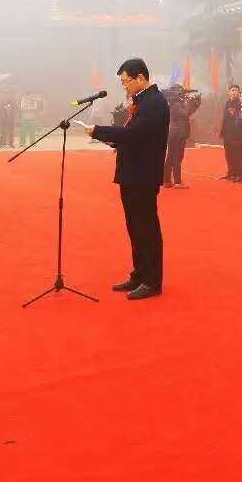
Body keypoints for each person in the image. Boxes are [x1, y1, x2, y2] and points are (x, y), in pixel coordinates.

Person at [80, 58, 170, 301]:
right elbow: (135, 137)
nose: (125, 87)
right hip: (132, 173)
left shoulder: (154, 103)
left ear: (141, 78)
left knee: (146, 227)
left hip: (143, 175)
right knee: (134, 227)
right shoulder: (142, 101)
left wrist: (98, 131)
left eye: (126, 82)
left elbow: (136, 133)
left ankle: (152, 281)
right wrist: (113, 140)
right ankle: (140, 274)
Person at [163, 84, 202, 189]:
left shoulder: (174, 103)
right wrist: (194, 104)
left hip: (175, 133)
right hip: (178, 134)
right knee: (177, 158)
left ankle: (166, 180)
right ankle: (177, 182)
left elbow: (186, 114)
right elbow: (186, 114)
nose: (184, 94)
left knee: (171, 157)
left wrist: (194, 105)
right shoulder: (175, 104)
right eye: (182, 92)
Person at [220, 85, 242, 181]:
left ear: (239, 93)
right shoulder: (227, 102)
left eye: (236, 91)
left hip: (236, 134)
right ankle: (230, 173)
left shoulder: (240, 103)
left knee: (236, 154)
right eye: (232, 90)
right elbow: (225, 119)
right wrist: (222, 131)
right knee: (228, 155)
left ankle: (237, 174)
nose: (233, 92)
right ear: (229, 92)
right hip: (227, 133)